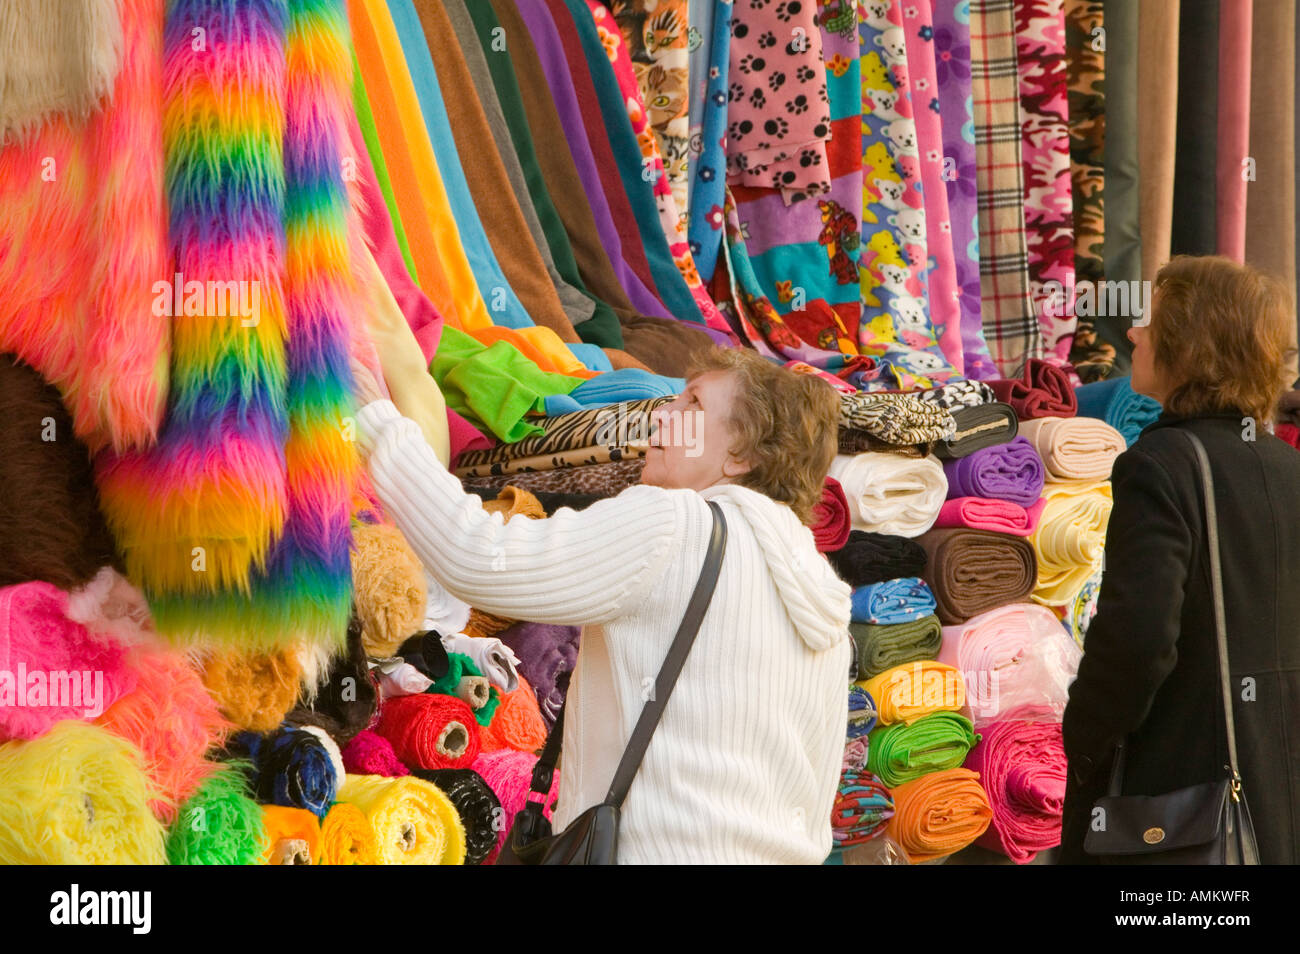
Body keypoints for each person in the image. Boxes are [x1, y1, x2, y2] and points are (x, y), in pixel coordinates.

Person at [353, 346, 852, 863]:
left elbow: (481, 555)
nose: (663, 413)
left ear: (740, 455)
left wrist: (379, 424)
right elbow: (814, 797)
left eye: (694, 405)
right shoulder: (826, 605)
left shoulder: (679, 526)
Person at [1059, 256, 1300, 864]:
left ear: (1191, 345)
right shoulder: (1287, 467)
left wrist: (1083, 741)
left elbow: (1138, 639)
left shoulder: (1159, 465)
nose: (1133, 333)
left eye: (1149, 321)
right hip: (1273, 798)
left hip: (1181, 806)